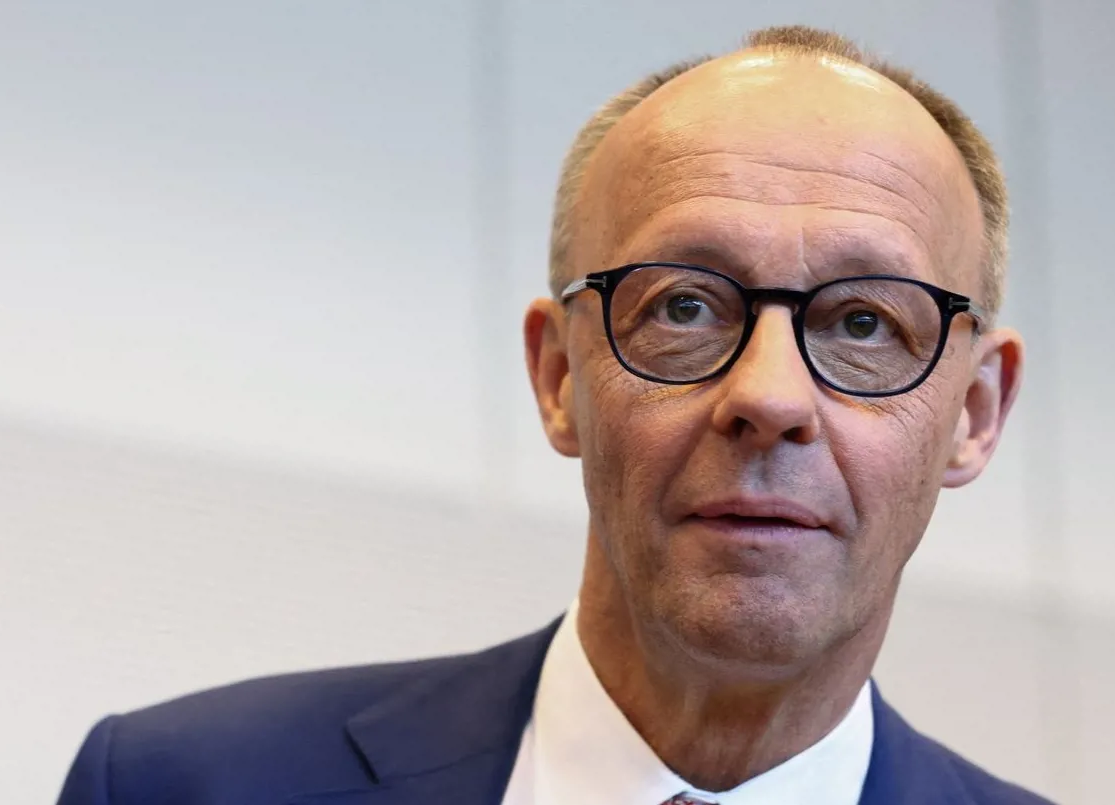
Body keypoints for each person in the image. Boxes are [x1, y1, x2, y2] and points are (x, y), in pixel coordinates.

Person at [57, 24, 1040, 805]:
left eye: (865, 322)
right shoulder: (179, 785)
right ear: (558, 373)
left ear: (975, 410)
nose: (770, 396)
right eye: (685, 307)